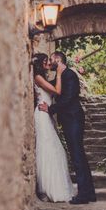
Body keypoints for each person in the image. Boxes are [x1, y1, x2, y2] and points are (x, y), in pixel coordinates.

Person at [38, 52, 97, 204]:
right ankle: (89, 193)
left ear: (58, 60)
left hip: (73, 119)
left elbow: (68, 98)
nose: (50, 63)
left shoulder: (69, 75)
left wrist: (51, 110)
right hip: (69, 119)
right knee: (79, 155)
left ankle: (84, 195)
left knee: (77, 156)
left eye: (51, 60)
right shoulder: (61, 76)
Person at [32, 53, 75, 202]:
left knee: (55, 148)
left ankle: (56, 186)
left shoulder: (42, 78)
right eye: (46, 61)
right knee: (47, 147)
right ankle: (46, 188)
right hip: (42, 115)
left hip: (47, 115)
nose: (49, 63)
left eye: (49, 61)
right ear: (40, 64)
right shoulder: (37, 77)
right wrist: (58, 74)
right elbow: (57, 91)